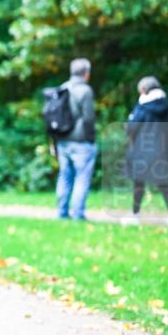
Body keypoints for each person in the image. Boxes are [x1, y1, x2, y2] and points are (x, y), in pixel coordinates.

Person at [123, 76, 168, 221]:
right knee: (165, 185)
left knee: (138, 184)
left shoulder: (142, 107)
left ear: (144, 90)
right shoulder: (167, 106)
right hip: (163, 150)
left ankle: (135, 214)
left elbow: (131, 129)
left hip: (142, 150)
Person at [54, 58, 97, 221]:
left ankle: (61, 212)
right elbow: (88, 118)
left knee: (64, 176)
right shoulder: (85, 90)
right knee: (81, 177)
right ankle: (78, 214)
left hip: (63, 140)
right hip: (81, 141)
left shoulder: (62, 88)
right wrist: (91, 138)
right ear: (86, 73)